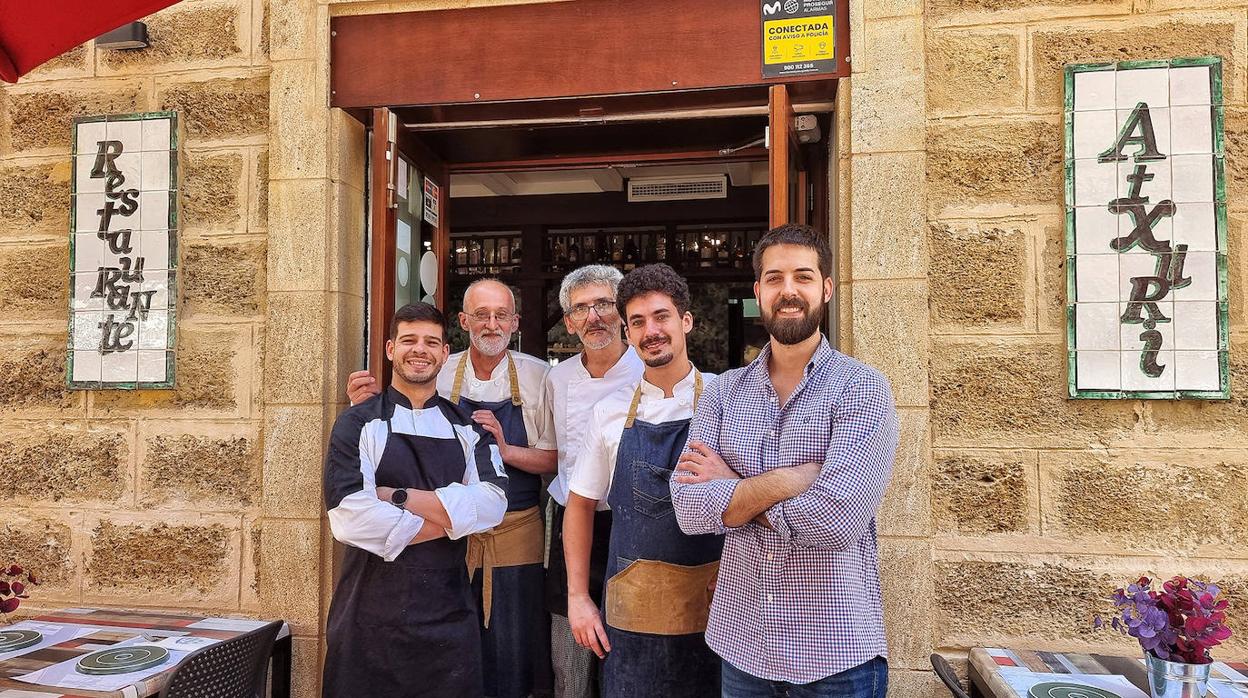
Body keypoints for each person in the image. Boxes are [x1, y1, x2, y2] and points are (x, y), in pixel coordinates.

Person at [670, 224, 899, 698]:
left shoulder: (861, 389)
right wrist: (790, 481)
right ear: (758, 291)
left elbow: (840, 519)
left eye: (803, 277)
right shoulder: (722, 393)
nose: (788, 290)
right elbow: (690, 510)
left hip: (836, 657)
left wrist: (734, 490)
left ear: (826, 289)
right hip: (744, 648)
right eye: (774, 278)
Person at [346, 279, 556, 698]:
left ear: (515, 323)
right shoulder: (438, 372)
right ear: (463, 322)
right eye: (481, 315)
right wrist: (363, 410)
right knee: (456, 649)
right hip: (446, 541)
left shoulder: (540, 376)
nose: (491, 324)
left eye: (501, 316)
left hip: (515, 534)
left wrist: (504, 449)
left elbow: (555, 460)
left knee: (511, 645)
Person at [323, 302, 508, 697]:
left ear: (445, 353)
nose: (419, 350)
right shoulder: (357, 422)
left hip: (448, 615)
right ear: (390, 349)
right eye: (408, 340)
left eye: (431, 342)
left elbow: (492, 504)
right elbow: (350, 517)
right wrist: (452, 522)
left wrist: (398, 497)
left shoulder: (469, 428)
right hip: (367, 617)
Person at [563, 263, 722, 697]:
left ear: (686, 321)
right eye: (637, 322)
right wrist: (578, 598)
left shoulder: (728, 400)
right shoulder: (609, 412)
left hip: (720, 609)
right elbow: (579, 506)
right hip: (633, 615)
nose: (650, 330)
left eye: (661, 316)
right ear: (628, 334)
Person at [545, 264, 644, 698]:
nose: (593, 317)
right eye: (581, 309)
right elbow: (553, 453)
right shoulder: (558, 377)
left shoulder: (650, 369)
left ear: (622, 311)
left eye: (603, 304)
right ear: (569, 322)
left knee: (628, 642)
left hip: (633, 521)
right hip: (570, 520)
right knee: (569, 647)